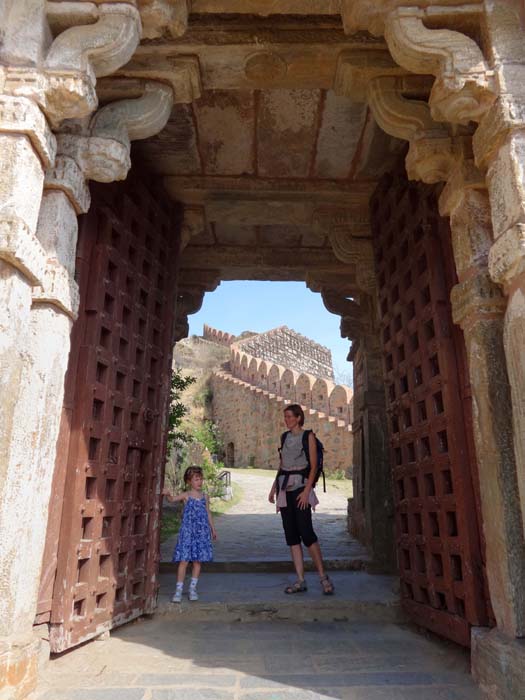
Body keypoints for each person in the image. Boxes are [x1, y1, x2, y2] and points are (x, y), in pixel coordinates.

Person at [268, 404, 335, 595]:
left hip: (300, 489)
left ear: (298, 418)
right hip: (284, 489)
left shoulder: (308, 437)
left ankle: (323, 577)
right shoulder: (284, 437)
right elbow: (282, 467)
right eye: (285, 417)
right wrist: (273, 489)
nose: (287, 420)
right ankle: (300, 580)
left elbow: (313, 467)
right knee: (291, 536)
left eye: (290, 416)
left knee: (307, 533)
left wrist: (307, 492)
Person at [163, 466, 217, 603]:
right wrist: (168, 493)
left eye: (201, 479)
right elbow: (172, 500)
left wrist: (213, 529)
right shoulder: (186, 495)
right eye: (196, 479)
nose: (199, 481)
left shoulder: (205, 496)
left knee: (198, 562)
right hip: (187, 532)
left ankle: (192, 589)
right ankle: (179, 590)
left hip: (201, 533)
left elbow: (208, 513)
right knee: (184, 561)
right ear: (189, 481)